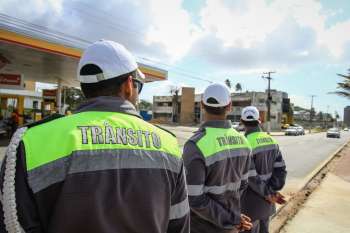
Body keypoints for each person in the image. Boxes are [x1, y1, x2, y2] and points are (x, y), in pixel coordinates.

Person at [0, 40, 189, 233]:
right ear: (129, 86)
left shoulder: (30, 141)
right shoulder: (168, 144)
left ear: (84, 88)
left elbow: (13, 225)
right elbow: (179, 224)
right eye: (138, 87)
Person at [183, 83, 253, 233]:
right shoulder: (244, 142)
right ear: (229, 106)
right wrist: (231, 217)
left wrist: (229, 218)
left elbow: (194, 198)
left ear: (202, 105)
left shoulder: (195, 145)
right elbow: (242, 185)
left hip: (202, 228)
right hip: (231, 226)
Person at [240, 106, 287, 233]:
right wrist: (272, 191)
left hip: (249, 204)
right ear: (259, 120)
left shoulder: (244, 143)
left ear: (242, 121)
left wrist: (268, 194)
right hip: (268, 204)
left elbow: (250, 176)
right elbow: (281, 170)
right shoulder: (272, 140)